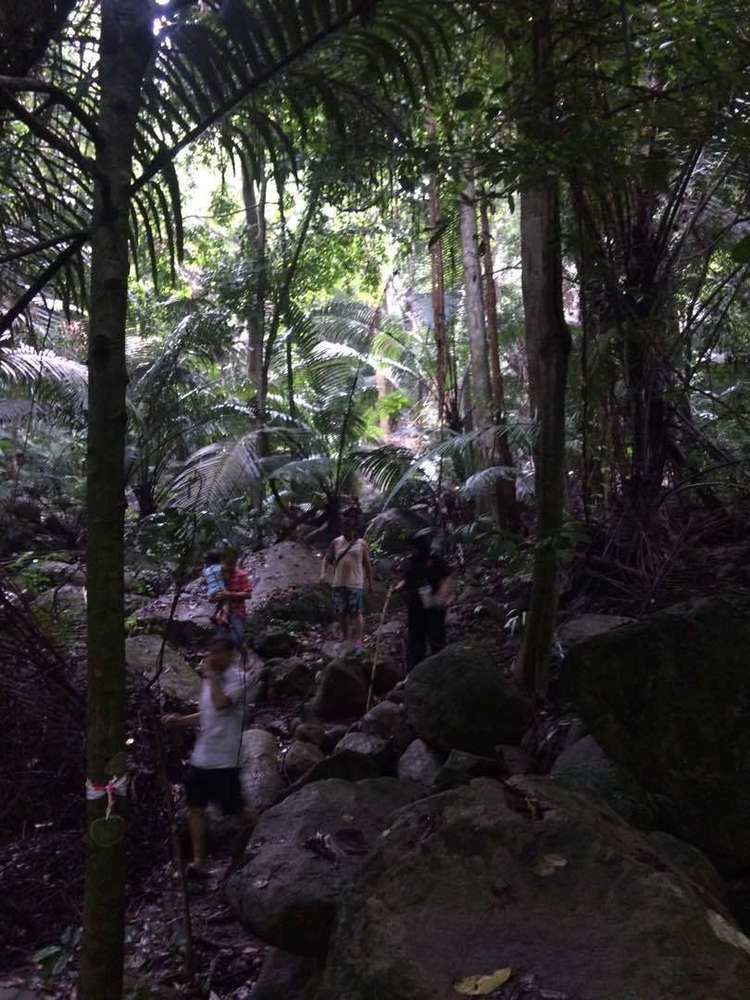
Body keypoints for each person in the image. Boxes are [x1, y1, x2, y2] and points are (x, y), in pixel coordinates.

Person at [162, 637, 255, 877]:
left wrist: (211, 677)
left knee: (237, 809)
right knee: (195, 807)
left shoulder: (240, 679)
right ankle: (198, 861)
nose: (213, 657)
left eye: (218, 652)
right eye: (211, 652)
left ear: (231, 654)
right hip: (202, 757)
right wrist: (179, 722)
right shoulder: (211, 680)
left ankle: (261, 839)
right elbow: (206, 713)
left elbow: (222, 704)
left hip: (225, 759)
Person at [397, 528, 452, 672]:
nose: (413, 550)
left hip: (434, 605)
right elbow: (406, 580)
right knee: (416, 639)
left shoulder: (436, 560)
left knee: (436, 637)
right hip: (415, 607)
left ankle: (441, 669)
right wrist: (398, 588)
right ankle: (413, 671)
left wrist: (442, 595)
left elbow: (446, 578)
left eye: (415, 547)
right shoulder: (411, 562)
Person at [321, 517, 373, 648]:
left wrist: (370, 583)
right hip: (338, 583)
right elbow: (326, 559)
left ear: (354, 530)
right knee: (341, 613)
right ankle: (345, 639)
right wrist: (323, 574)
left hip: (355, 584)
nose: (346, 533)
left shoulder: (361, 544)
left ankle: (359, 641)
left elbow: (367, 565)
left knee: (356, 613)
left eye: (348, 530)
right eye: (343, 530)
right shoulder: (336, 542)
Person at [211, 548, 252, 665]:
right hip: (221, 613)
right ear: (222, 562)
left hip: (238, 612)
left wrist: (229, 594)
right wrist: (217, 597)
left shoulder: (242, 575)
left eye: (232, 564)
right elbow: (211, 598)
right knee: (220, 641)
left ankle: (244, 656)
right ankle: (223, 666)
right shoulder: (218, 576)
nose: (230, 567)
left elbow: (248, 594)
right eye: (227, 564)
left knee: (238, 638)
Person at [203, 550, 227, 625]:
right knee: (228, 599)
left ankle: (214, 615)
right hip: (220, 592)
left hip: (210, 595)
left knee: (221, 601)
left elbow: (206, 580)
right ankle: (224, 617)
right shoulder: (221, 568)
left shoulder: (206, 570)